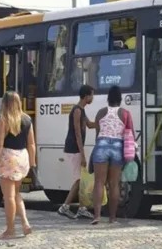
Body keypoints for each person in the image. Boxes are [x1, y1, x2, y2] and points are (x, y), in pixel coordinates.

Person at [0, 91, 36, 239]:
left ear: (5, 103)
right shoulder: (27, 119)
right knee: (16, 194)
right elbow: (32, 144)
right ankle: (25, 223)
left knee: (8, 196)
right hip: (22, 157)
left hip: (8, 158)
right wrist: (32, 163)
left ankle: (10, 230)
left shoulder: (4, 120)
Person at [91, 85, 135, 225]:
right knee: (114, 184)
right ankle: (112, 218)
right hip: (117, 147)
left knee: (99, 182)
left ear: (108, 98)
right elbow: (130, 134)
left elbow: (97, 134)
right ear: (120, 98)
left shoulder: (100, 112)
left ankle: (97, 216)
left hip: (101, 145)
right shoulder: (125, 113)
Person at [58, 84, 96, 219]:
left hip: (76, 149)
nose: (93, 98)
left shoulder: (82, 110)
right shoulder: (77, 111)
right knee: (79, 180)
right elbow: (78, 133)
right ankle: (65, 206)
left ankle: (82, 208)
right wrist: (83, 155)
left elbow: (90, 125)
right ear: (86, 96)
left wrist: (104, 121)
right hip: (73, 149)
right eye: (92, 95)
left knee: (81, 179)